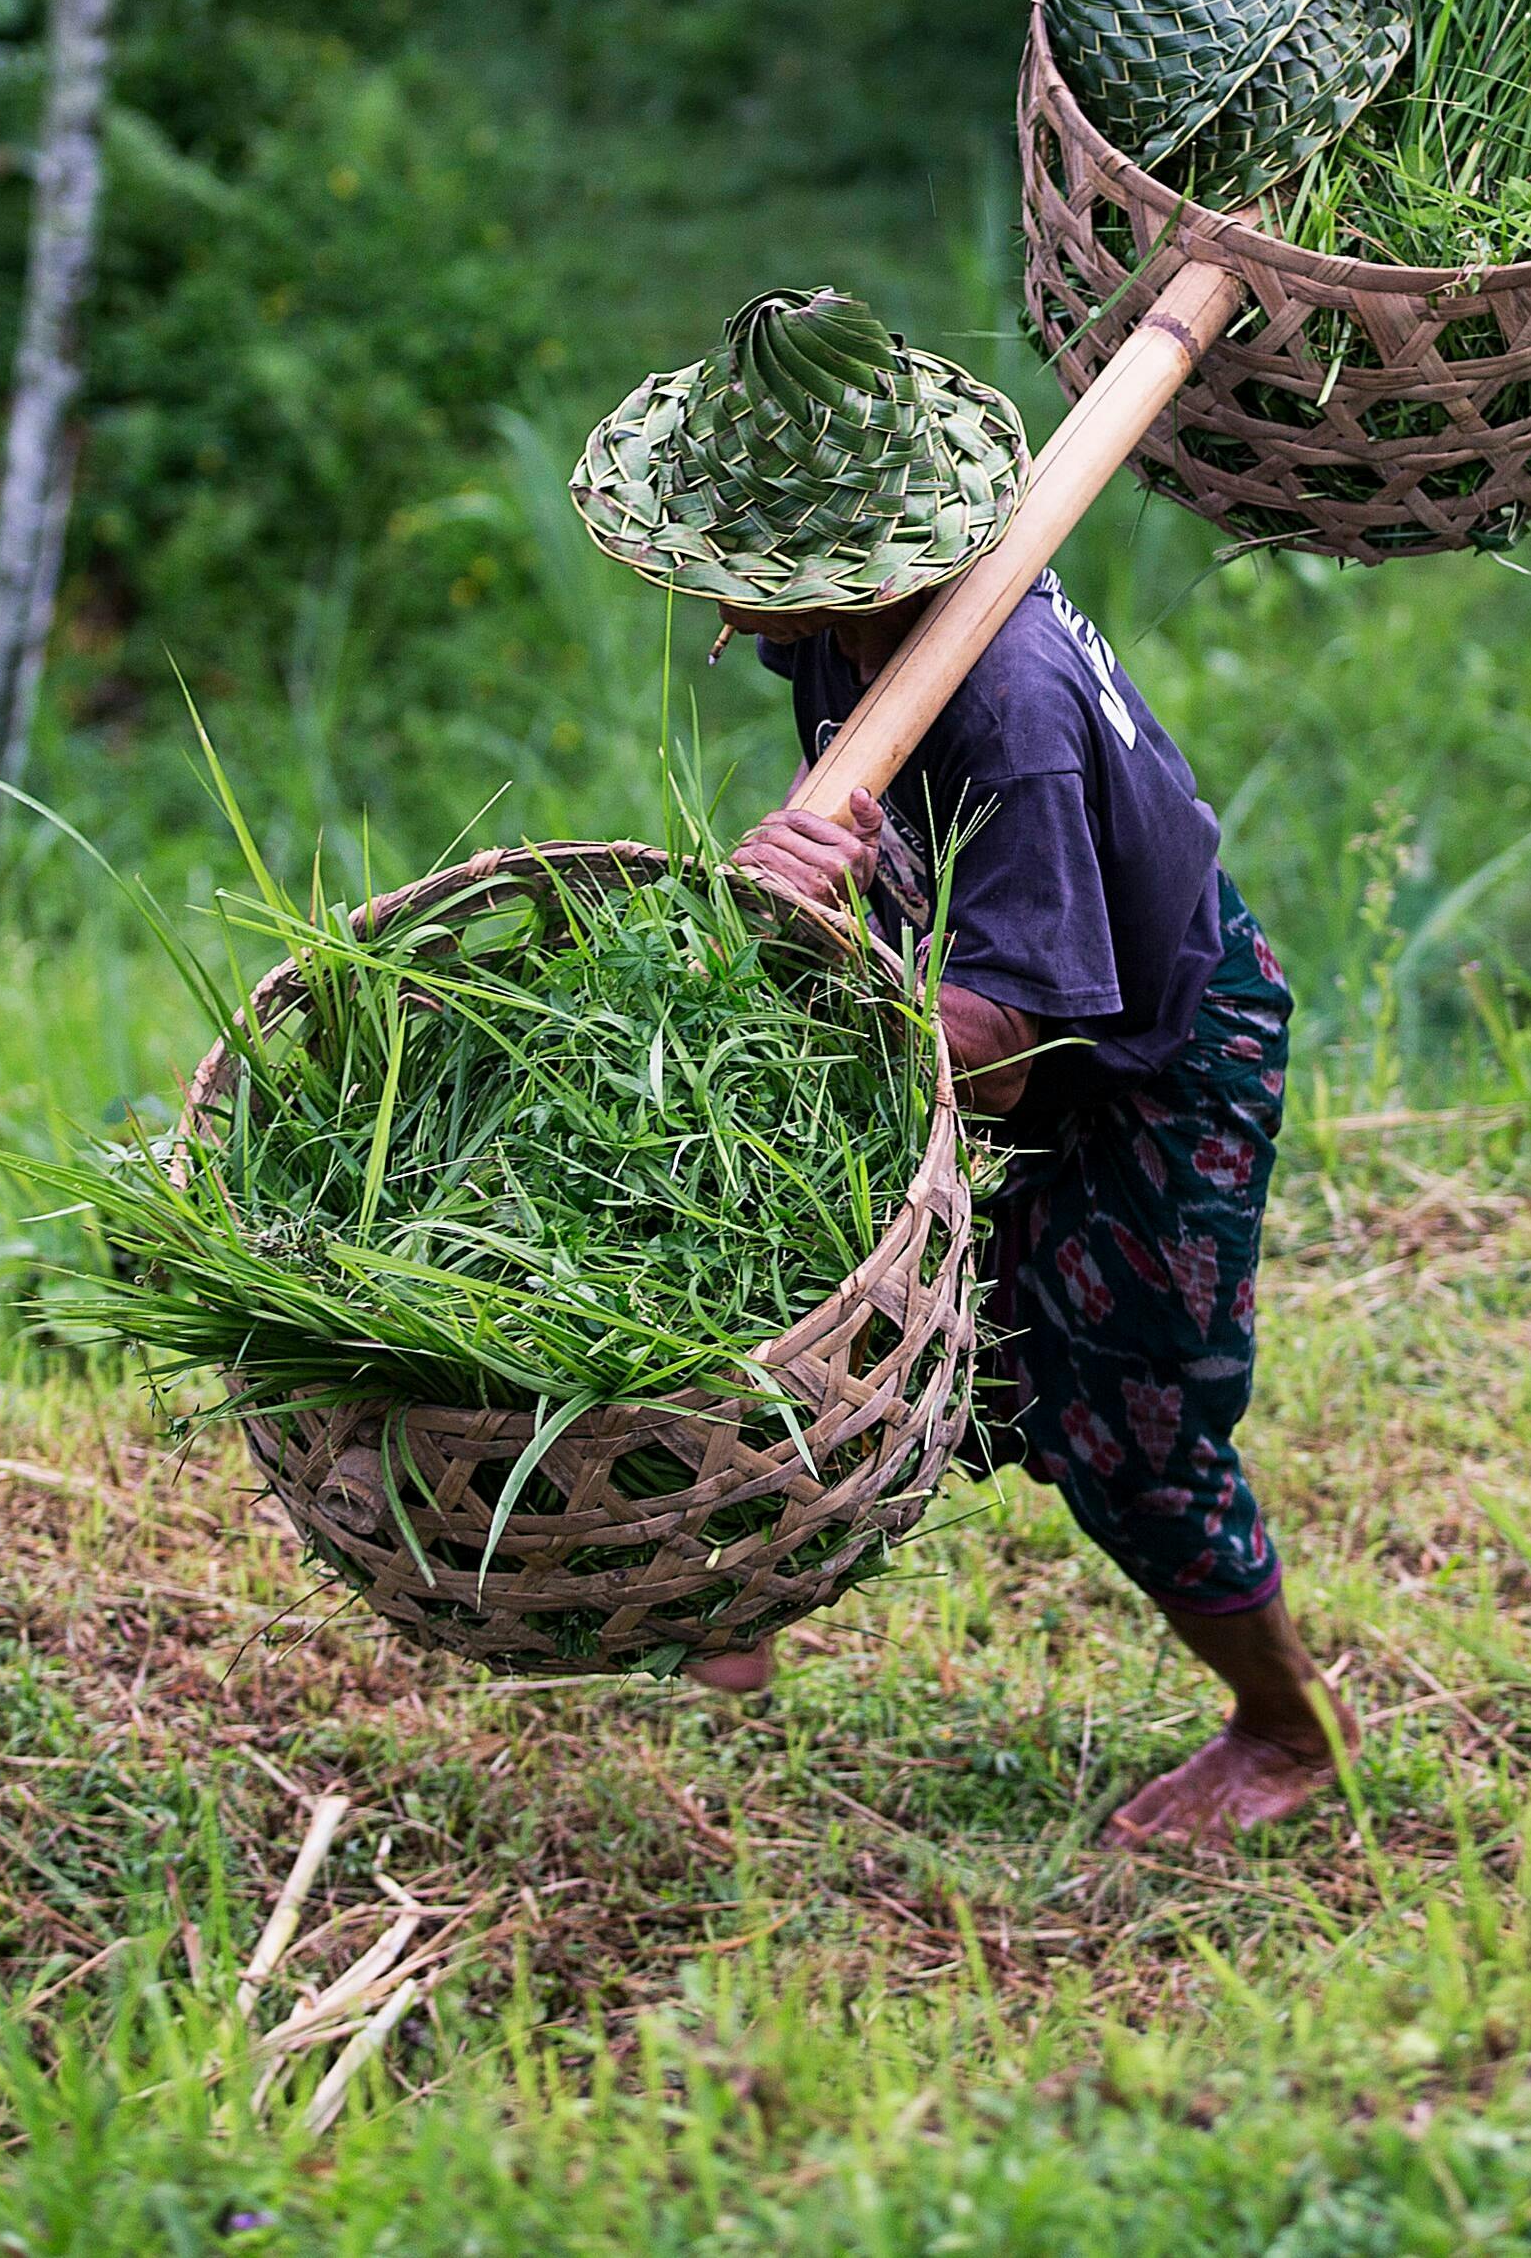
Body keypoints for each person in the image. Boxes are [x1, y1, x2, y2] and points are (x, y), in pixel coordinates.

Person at [567, 286, 1338, 1849]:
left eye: (730, 564)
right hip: (977, 985)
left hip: (1150, 1056)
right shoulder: (850, 632)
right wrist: (832, 889)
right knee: (830, 1302)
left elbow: (1014, 1052)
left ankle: (1284, 1730)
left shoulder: (1007, 700)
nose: (711, 593)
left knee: (1125, 1423)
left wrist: (831, 946)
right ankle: (737, 1597)